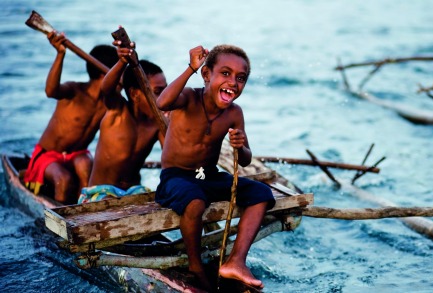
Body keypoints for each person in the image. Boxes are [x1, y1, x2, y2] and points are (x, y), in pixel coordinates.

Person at [154, 44, 275, 291]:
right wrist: (191, 68)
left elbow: (245, 160)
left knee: (262, 194)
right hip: (176, 177)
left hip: (208, 176)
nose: (233, 82)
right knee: (195, 201)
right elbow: (161, 102)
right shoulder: (188, 97)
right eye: (226, 73)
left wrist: (240, 146)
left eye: (240, 78)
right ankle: (195, 265)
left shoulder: (234, 113)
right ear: (207, 74)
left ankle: (236, 261)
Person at [23, 30, 118, 204]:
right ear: (105, 75)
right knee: (64, 180)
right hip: (48, 156)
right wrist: (60, 54)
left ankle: (84, 212)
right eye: (118, 73)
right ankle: (58, 223)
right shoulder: (74, 90)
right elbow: (50, 91)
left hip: (78, 155)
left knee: (87, 168)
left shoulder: (109, 103)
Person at [78, 40, 168, 203]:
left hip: (133, 191)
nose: (164, 98)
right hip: (100, 192)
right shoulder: (118, 110)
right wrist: (122, 61)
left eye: (166, 91)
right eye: (157, 92)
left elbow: (170, 156)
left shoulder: (157, 124)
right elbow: (107, 88)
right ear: (134, 95)